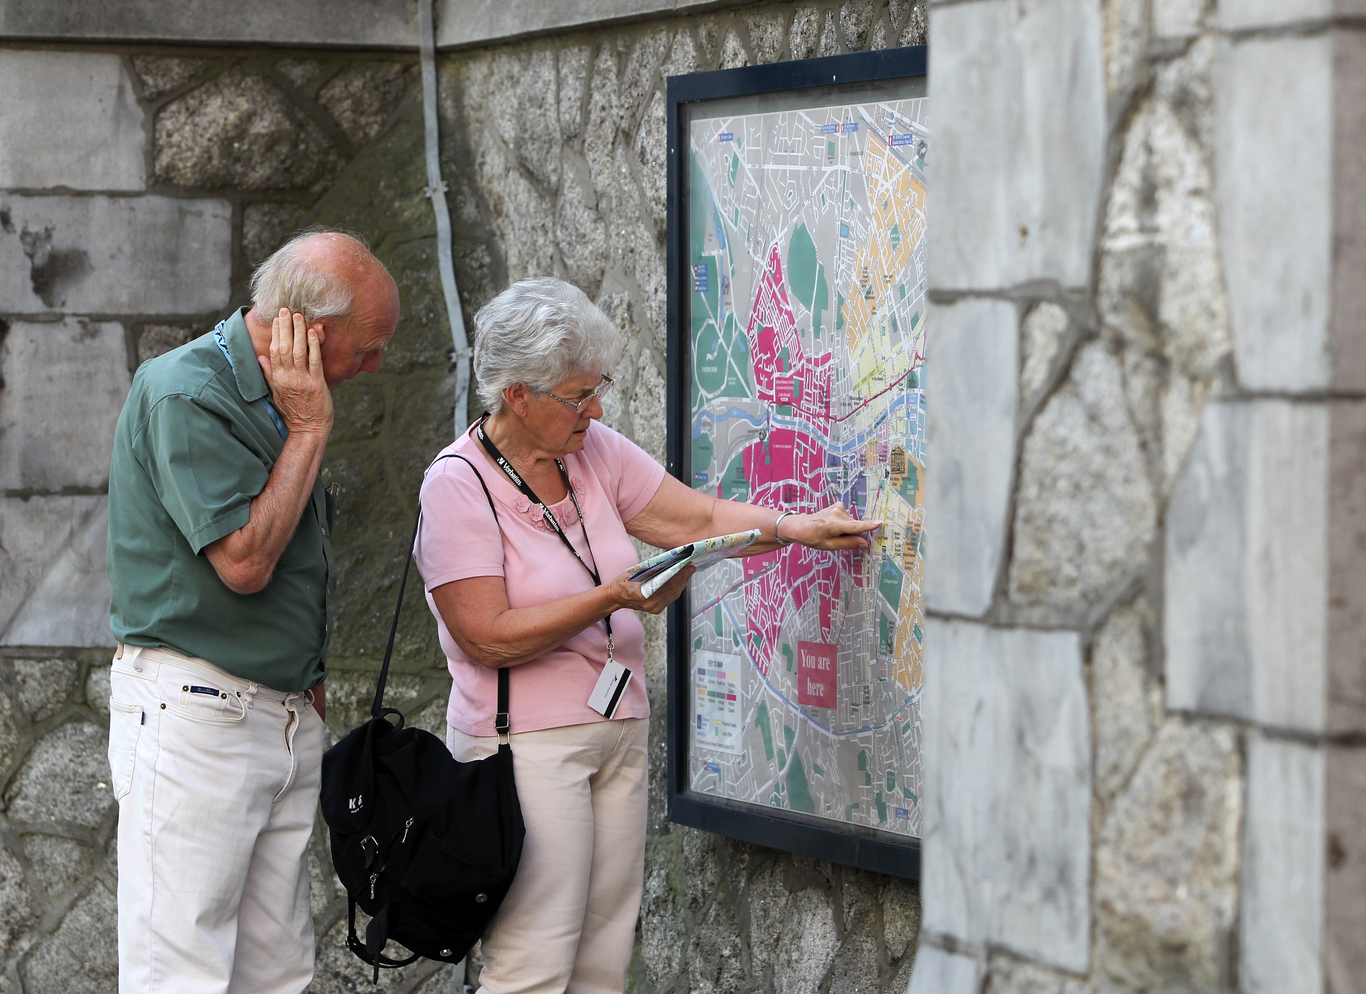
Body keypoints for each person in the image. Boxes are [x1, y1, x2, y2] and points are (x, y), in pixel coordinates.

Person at [413, 277, 877, 994]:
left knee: (604, 958)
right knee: (535, 962)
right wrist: (611, 596)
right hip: (525, 746)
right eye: (579, 396)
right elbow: (487, 638)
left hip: (618, 726)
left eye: (598, 389)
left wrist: (793, 527)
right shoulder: (457, 484)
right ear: (519, 396)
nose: (597, 410)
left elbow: (696, 521)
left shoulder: (592, 449)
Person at [105, 229, 399, 993]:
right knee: (181, 974)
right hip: (198, 715)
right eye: (368, 348)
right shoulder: (186, 391)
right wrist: (310, 431)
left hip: (277, 716)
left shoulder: (274, 395)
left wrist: (308, 680)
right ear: (314, 331)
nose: (376, 366)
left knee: (276, 971)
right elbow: (244, 562)